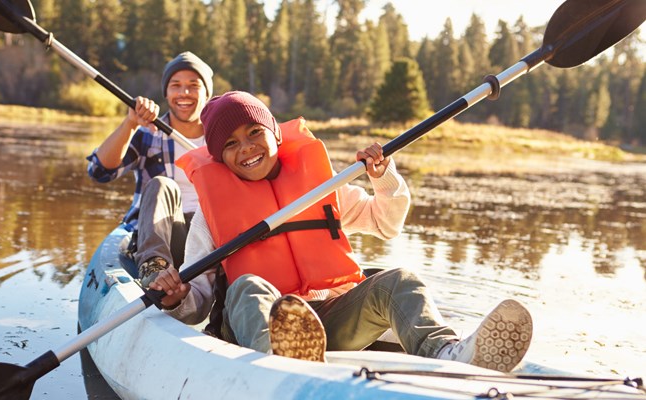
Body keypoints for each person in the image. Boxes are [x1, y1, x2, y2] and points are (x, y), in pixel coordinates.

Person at [149, 91, 533, 372]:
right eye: (230, 145)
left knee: (399, 280)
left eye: (254, 132)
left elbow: (386, 222)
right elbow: (196, 303)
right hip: (256, 326)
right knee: (248, 284)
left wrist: (382, 178)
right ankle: (276, 364)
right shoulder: (210, 217)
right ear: (218, 158)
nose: (246, 148)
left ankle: (447, 353)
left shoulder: (320, 189)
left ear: (275, 135)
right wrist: (177, 296)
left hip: (330, 318)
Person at [86, 51, 214, 287]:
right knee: (162, 184)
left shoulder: (221, 140)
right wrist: (131, 124)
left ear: (207, 93)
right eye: (176, 85)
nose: (184, 92)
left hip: (210, 241)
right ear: (166, 92)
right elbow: (99, 172)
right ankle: (154, 267)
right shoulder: (148, 134)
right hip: (165, 236)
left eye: (193, 85)